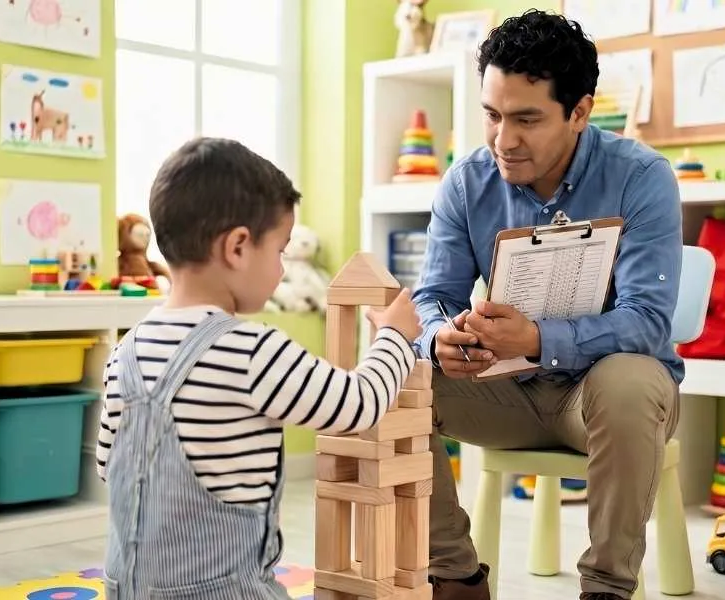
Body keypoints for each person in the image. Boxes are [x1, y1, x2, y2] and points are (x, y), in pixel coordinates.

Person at [410, 10, 685, 600]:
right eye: (492, 114)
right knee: (392, 380)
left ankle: (605, 589)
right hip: (503, 394)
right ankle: (455, 578)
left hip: (604, 402)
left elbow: (648, 321)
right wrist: (439, 338)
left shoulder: (642, 177)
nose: (503, 140)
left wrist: (537, 339)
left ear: (579, 112)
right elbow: (432, 298)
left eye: (526, 119)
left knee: (630, 382)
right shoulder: (465, 183)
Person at [95, 137, 422, 600]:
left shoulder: (125, 352)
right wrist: (395, 337)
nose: (282, 270)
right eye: (280, 251)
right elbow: (357, 404)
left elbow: (110, 467)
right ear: (238, 247)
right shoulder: (253, 352)